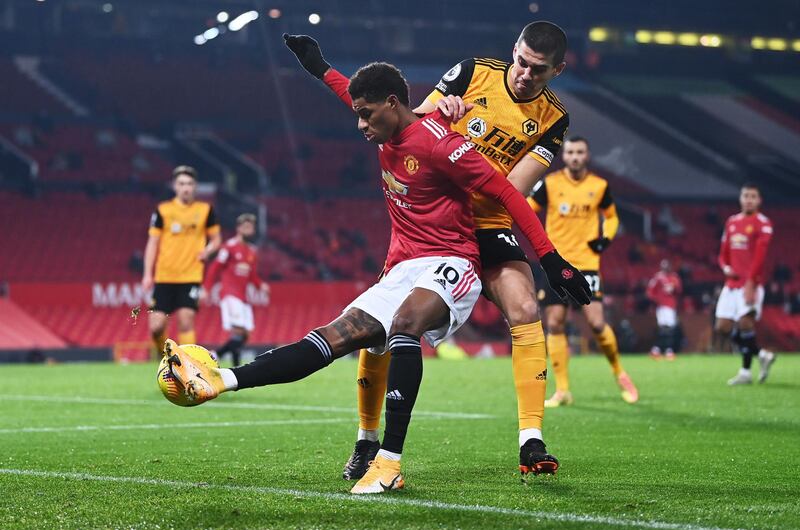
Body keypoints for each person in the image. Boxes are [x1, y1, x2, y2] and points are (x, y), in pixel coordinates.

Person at [164, 60, 591, 496]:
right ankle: (223, 379)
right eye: (357, 115)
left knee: (407, 327)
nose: (360, 125)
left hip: (454, 260)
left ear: (392, 104)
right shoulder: (389, 129)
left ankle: (390, 463)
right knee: (336, 336)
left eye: (366, 114)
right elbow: (351, 92)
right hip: (405, 265)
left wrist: (550, 259)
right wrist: (319, 68)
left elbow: (503, 192)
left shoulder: (443, 145)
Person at [309, 21, 576, 480]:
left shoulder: (554, 118)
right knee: (380, 330)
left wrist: (463, 155)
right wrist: (441, 116)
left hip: (486, 219)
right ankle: (366, 440)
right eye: (522, 63)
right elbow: (408, 125)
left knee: (526, 307)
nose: (525, 75)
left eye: (538, 71)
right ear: (514, 50)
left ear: (557, 70)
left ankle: (530, 440)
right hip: (430, 219)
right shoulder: (472, 72)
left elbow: (515, 186)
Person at [529, 136, 639, 406]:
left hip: (587, 263)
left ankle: (620, 374)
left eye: (580, 152)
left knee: (597, 323)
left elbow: (612, 216)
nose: (575, 157)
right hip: (556, 263)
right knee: (554, 323)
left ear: (586, 155)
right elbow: (528, 209)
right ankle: (563, 390)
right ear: (564, 156)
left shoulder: (599, 186)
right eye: (571, 152)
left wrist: (605, 239)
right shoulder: (551, 184)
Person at [141, 166, 221, 357]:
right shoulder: (163, 210)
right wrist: (147, 274)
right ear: (175, 186)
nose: (186, 188)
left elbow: (217, 240)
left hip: (190, 275)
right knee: (156, 327)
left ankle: (187, 367)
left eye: (190, 184)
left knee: (186, 320)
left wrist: (208, 250)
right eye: (182, 184)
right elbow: (152, 243)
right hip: (165, 276)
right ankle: (166, 359)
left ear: (195, 187)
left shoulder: (205, 210)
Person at [714, 183, 775, 385]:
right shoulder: (731, 222)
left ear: (759, 200)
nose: (749, 199)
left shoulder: (763, 223)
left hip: (751, 283)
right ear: (740, 199)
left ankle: (745, 372)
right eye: (746, 195)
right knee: (722, 327)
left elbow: (760, 257)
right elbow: (723, 255)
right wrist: (725, 268)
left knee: (745, 323)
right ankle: (762, 354)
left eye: (753, 196)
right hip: (731, 283)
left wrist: (751, 284)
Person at [202, 213, 270, 366]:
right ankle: (219, 357)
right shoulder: (229, 247)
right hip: (230, 294)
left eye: (251, 227)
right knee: (238, 332)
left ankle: (228, 362)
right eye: (245, 226)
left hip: (243, 297)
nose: (249, 229)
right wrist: (206, 288)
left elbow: (251, 274)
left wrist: (261, 286)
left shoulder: (252, 251)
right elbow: (215, 267)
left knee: (244, 335)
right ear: (238, 228)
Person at [646, 259, 682, 360]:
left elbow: (679, 289)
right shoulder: (658, 277)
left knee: (669, 328)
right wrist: (657, 300)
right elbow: (650, 291)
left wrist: (673, 288)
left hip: (671, 306)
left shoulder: (674, 277)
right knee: (664, 329)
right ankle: (665, 351)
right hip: (661, 306)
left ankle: (659, 350)